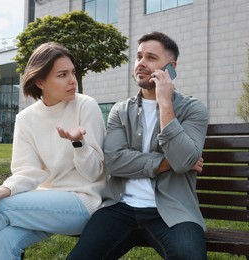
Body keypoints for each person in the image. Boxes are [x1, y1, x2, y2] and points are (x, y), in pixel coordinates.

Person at [67, 31, 209, 260]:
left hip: (174, 211)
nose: (141, 63)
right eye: (139, 56)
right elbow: (114, 162)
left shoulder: (193, 109)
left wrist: (165, 102)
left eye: (151, 58)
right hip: (119, 207)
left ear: (171, 67)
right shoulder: (120, 111)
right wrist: (166, 162)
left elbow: (183, 161)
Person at [0, 42, 106, 260]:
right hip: (42, 203)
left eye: (72, 72)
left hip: (84, 202)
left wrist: (79, 144)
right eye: (62, 74)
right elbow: (27, 172)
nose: (72, 80)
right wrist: (0, 191)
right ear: (40, 81)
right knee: (3, 241)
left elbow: (95, 173)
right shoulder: (26, 119)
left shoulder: (86, 105)